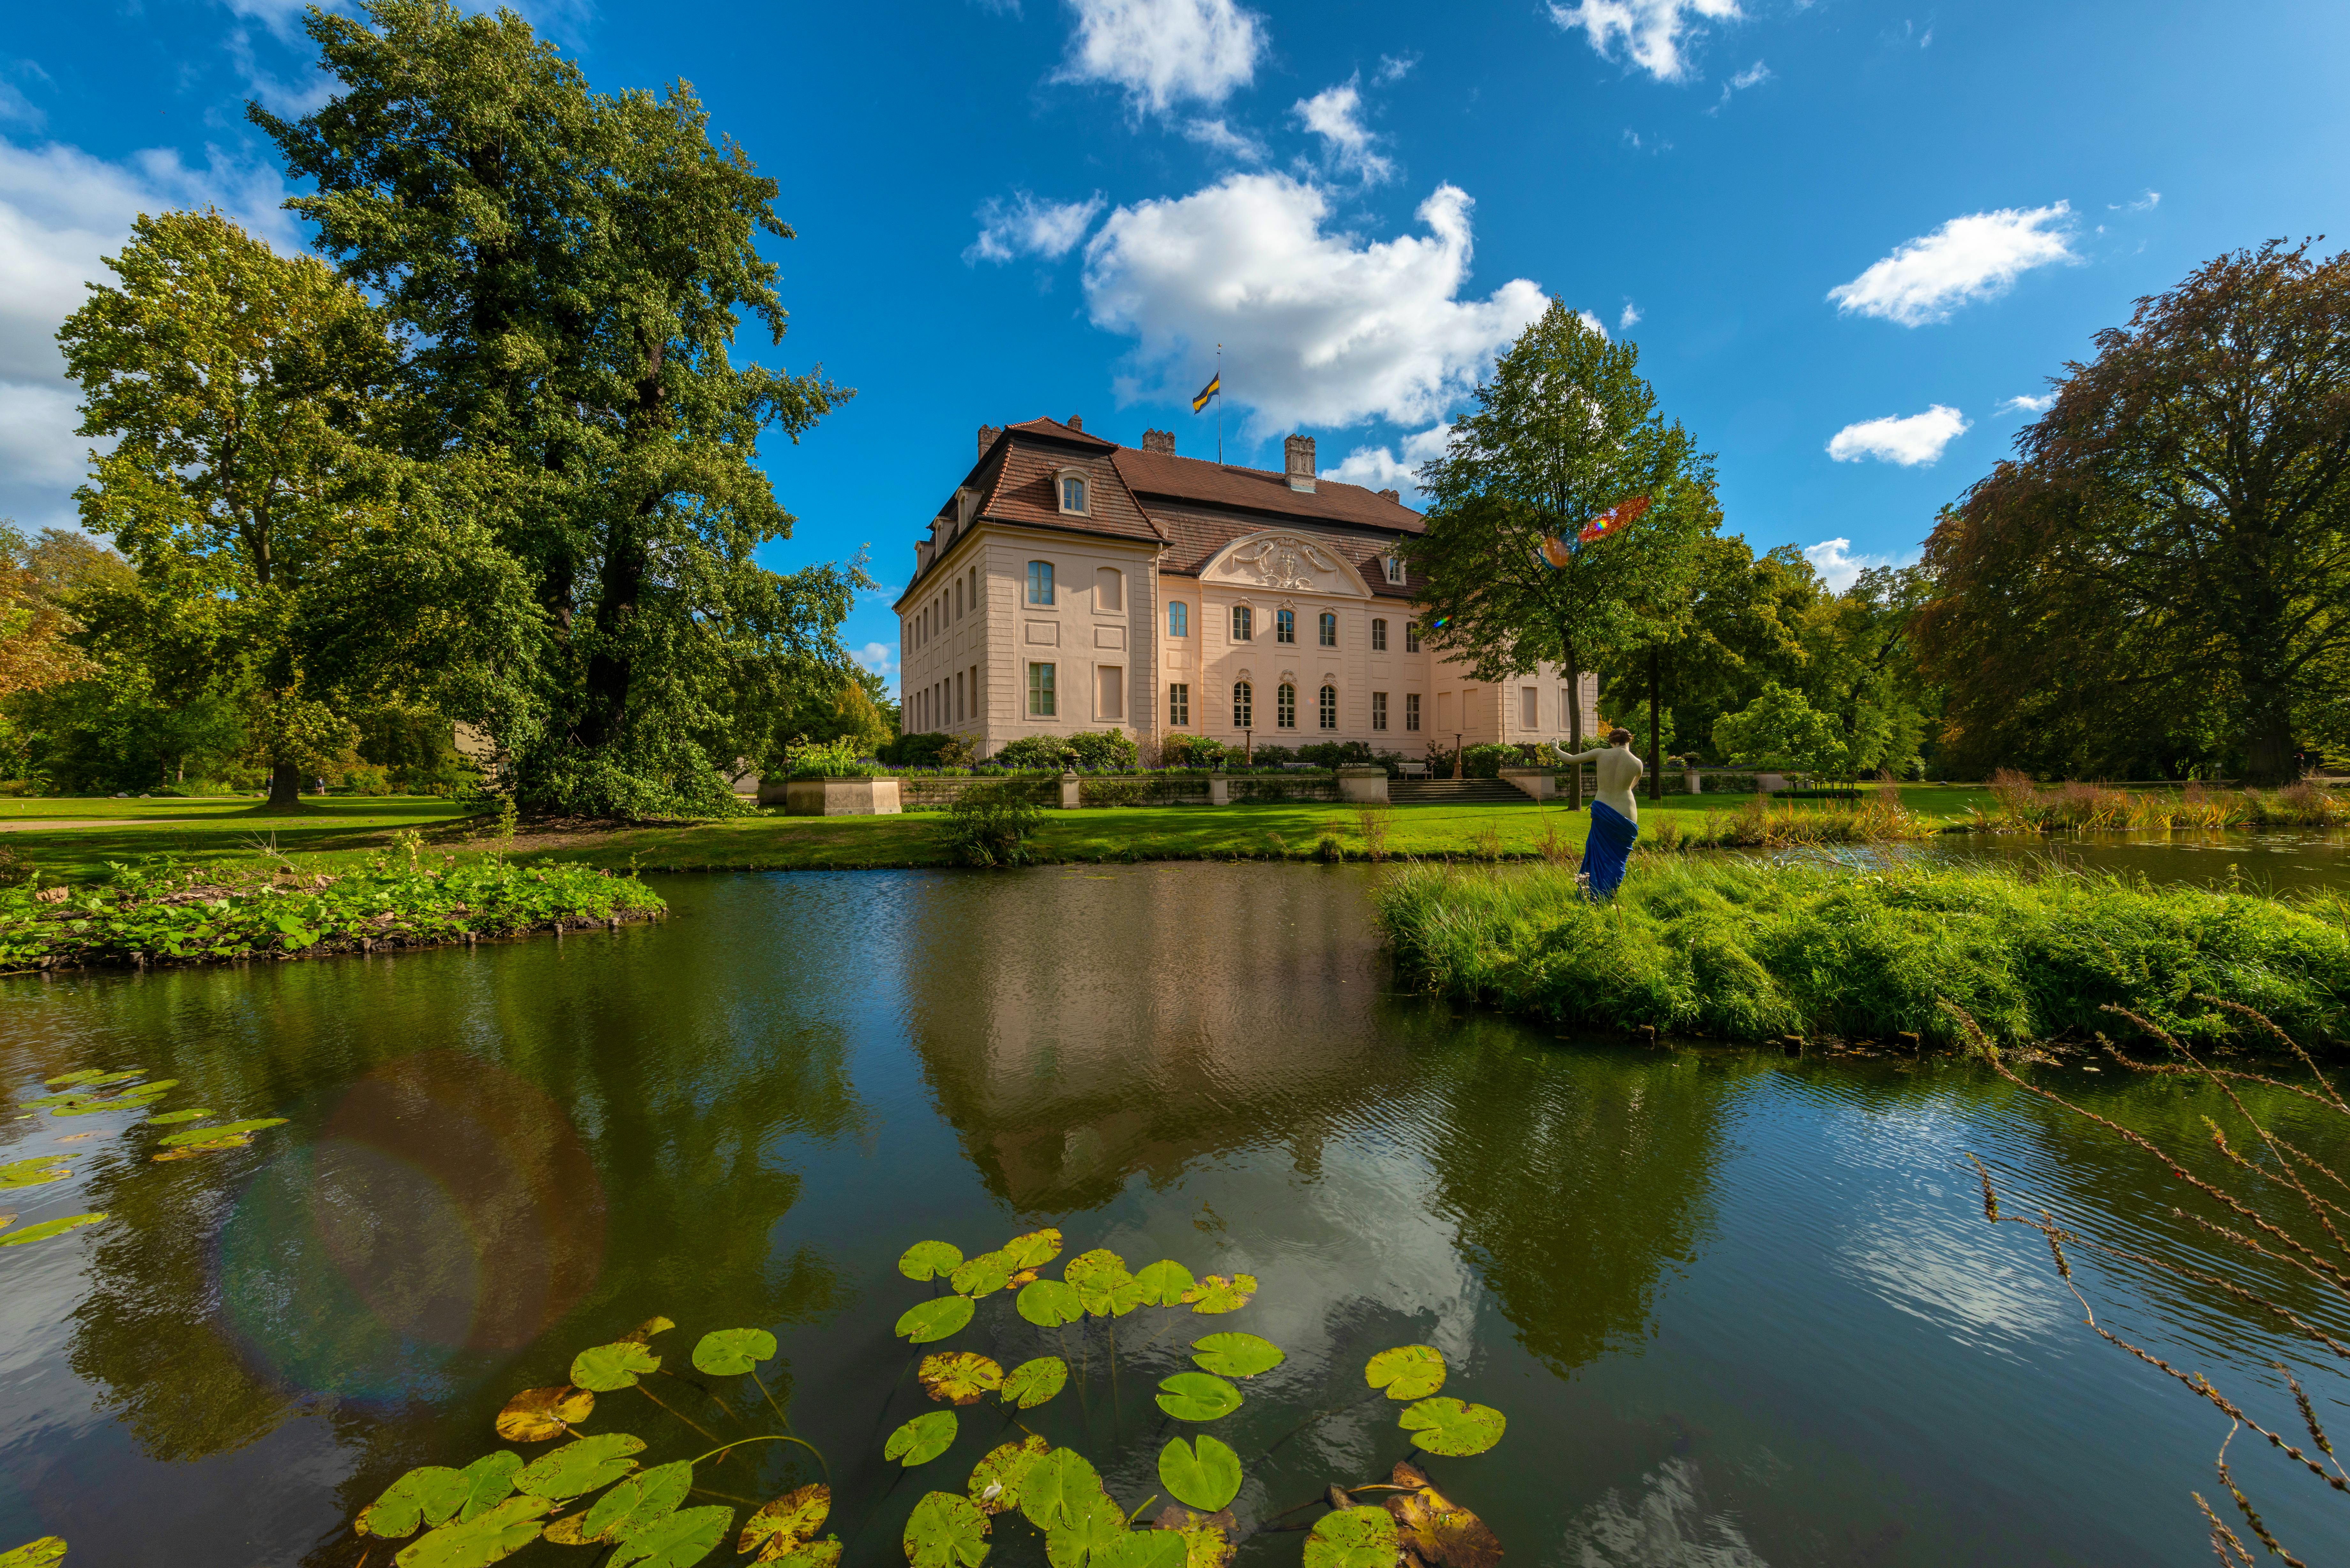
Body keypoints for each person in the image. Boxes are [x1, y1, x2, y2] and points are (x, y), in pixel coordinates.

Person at [1563, 727, 1646, 899]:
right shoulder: (1637, 763)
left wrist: (1555, 748)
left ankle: (1592, 896)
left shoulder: (1601, 754)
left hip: (1604, 808)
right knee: (1618, 859)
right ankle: (1608, 895)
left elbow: (1570, 760)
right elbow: (1631, 787)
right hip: (1627, 810)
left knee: (1598, 853)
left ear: (1611, 741)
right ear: (1629, 741)